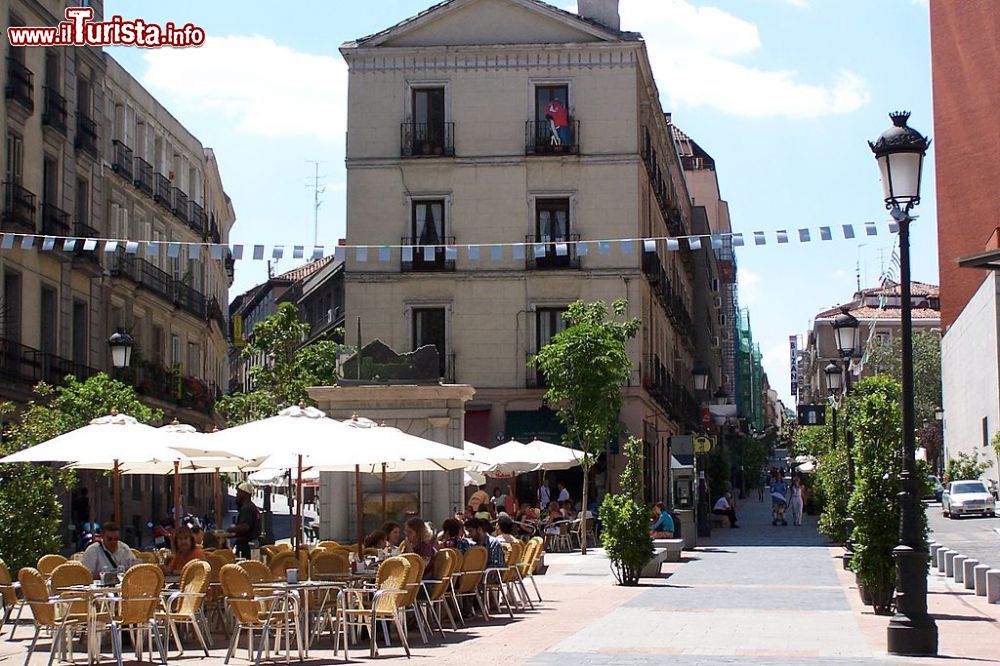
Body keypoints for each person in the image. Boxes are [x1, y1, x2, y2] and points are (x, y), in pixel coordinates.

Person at [227, 482, 261, 559]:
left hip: (246, 547)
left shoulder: (247, 508)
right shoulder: (252, 507)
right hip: (252, 544)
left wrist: (231, 529)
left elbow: (245, 527)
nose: (236, 495)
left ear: (244, 494)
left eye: (238, 493)